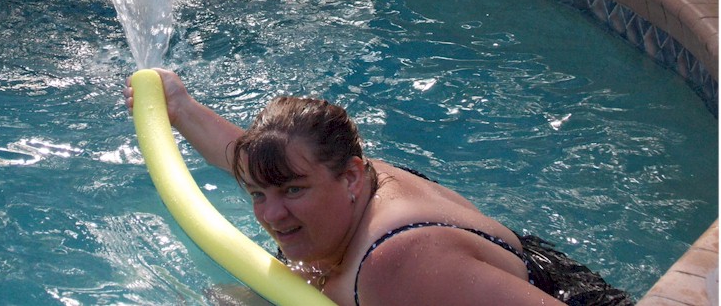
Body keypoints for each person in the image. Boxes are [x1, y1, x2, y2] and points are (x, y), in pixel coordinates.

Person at [123, 69, 634, 306]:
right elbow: (254, 163)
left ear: (348, 176)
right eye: (259, 195)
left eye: (293, 192)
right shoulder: (342, 176)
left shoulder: (398, 262)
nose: (271, 215)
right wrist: (181, 109)